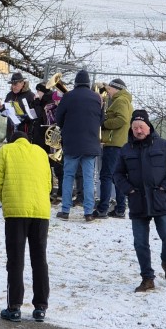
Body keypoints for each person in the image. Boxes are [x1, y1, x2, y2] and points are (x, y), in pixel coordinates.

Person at [113, 109, 166, 292]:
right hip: (138, 202)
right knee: (140, 243)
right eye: (135, 127)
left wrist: (165, 187)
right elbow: (117, 174)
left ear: (148, 127)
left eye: (141, 127)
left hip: (161, 200)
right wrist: (128, 190)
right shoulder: (126, 149)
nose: (138, 130)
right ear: (131, 129)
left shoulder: (163, 145)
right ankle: (147, 278)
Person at [0, 131, 52, 322]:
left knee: (15, 259)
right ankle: (41, 307)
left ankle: (14, 306)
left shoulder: (6, 150)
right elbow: (49, 182)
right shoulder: (41, 152)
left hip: (16, 212)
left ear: (11, 140)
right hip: (41, 212)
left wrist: (6, 200)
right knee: (39, 258)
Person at [55, 69, 105, 221]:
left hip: (71, 144)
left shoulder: (68, 96)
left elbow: (58, 119)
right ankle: (88, 212)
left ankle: (65, 210)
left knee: (68, 176)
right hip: (90, 144)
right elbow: (101, 120)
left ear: (76, 83)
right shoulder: (97, 98)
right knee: (89, 178)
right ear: (88, 83)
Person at [94, 78, 133, 219]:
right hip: (119, 143)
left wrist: (104, 124)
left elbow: (122, 119)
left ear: (116, 89)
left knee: (106, 176)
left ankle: (102, 209)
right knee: (117, 177)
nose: (108, 92)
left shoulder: (120, 101)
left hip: (114, 143)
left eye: (109, 89)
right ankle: (120, 209)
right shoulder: (124, 100)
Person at [0, 71, 35, 140]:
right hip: (11, 131)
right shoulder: (9, 95)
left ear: (22, 83)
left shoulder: (30, 96)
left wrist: (23, 117)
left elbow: (34, 115)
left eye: (16, 84)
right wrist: (1, 108)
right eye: (12, 84)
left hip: (24, 131)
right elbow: (5, 111)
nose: (13, 87)